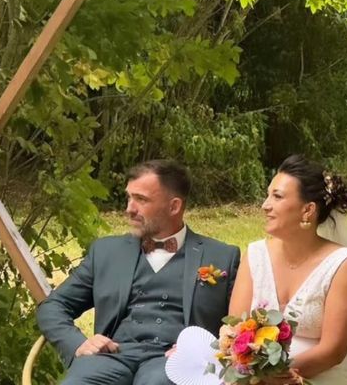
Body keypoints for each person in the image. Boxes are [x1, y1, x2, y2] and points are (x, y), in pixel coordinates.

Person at [37, 159, 240, 385]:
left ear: (174, 206)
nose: (129, 209)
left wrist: (201, 351)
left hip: (174, 364)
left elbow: (241, 327)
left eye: (141, 200)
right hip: (111, 358)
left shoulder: (223, 256)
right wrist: (77, 343)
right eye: (129, 197)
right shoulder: (106, 252)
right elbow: (53, 306)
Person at [228, 155, 347, 385]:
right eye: (268, 195)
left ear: (308, 210)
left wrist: (276, 376)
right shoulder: (255, 255)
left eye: (277, 196)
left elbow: (333, 351)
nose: (265, 205)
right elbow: (235, 329)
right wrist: (255, 374)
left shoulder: (344, 265)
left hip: (320, 377)